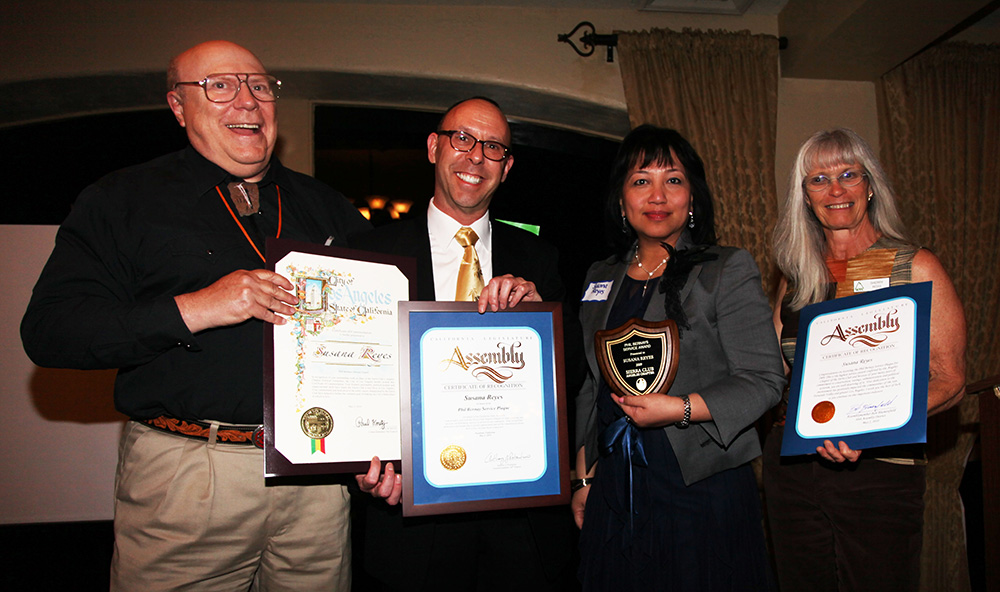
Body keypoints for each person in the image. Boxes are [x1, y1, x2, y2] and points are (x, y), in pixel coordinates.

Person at [21, 40, 370, 590]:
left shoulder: (328, 207)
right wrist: (199, 307)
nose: (247, 101)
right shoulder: (122, 200)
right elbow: (50, 332)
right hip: (188, 478)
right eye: (220, 86)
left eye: (259, 86)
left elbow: (382, 336)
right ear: (179, 107)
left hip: (317, 481)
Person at [351, 97, 578, 591]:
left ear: (507, 166)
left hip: (519, 520)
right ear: (434, 147)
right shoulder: (372, 252)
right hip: (411, 517)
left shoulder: (540, 258)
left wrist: (543, 323)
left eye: (493, 147)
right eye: (462, 139)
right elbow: (354, 377)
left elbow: (575, 378)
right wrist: (361, 463)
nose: (476, 156)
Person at [572, 124, 784, 591]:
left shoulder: (726, 267)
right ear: (622, 199)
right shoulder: (598, 276)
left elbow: (765, 380)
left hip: (700, 485)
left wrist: (682, 408)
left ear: (693, 196)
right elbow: (592, 386)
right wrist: (584, 479)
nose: (658, 195)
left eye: (673, 179)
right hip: (615, 486)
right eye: (640, 180)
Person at [762, 128, 966, 592]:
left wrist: (867, 428)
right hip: (792, 470)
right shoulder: (797, 277)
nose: (835, 190)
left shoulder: (912, 266)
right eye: (818, 179)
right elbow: (774, 376)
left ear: (869, 185)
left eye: (848, 174)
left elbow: (951, 380)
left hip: (878, 470)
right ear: (805, 196)